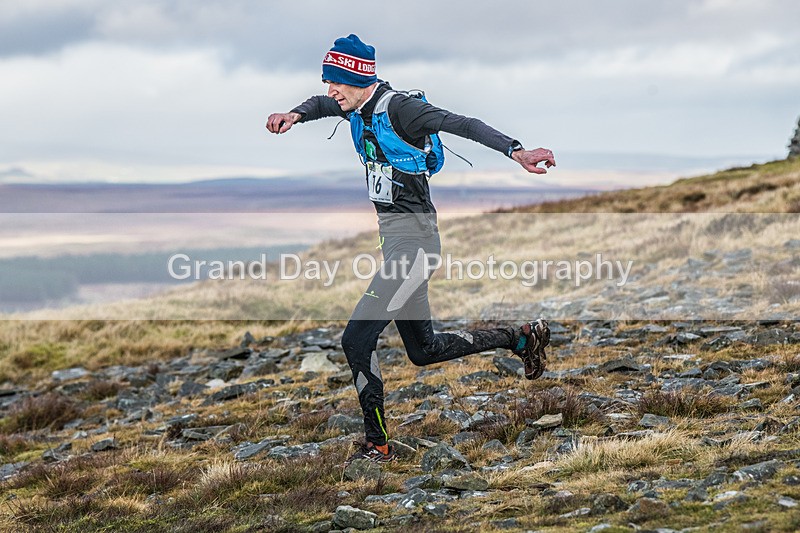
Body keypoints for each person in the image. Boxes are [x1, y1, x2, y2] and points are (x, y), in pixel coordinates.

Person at [266, 34, 555, 463]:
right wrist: (295, 114)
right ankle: (521, 337)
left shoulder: (401, 109)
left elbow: (464, 124)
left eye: (336, 82)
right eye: (328, 81)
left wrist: (517, 151)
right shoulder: (354, 106)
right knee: (425, 351)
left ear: (358, 77)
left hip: (416, 250)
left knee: (355, 340)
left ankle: (377, 445)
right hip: (399, 247)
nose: (331, 91)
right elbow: (319, 104)